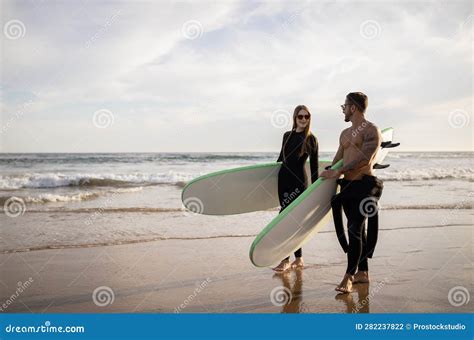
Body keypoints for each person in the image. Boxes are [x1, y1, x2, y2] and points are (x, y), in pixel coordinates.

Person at [320, 92, 384, 293]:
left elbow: (365, 158)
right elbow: (338, 160)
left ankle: (348, 277)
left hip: (366, 185)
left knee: (355, 228)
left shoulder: (372, 130)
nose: (343, 110)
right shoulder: (344, 134)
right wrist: (324, 176)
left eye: (344, 106)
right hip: (347, 186)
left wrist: (339, 170)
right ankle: (363, 273)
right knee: (357, 230)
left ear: (353, 107)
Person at [272, 105, 319, 272]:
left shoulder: (311, 139)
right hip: (283, 180)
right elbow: (280, 159)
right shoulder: (287, 136)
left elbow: (314, 168)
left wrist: (316, 192)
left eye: (307, 117)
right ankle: (298, 259)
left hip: (299, 184)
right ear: (295, 118)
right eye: (300, 117)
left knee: (287, 220)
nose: (304, 120)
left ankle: (285, 260)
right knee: (291, 220)